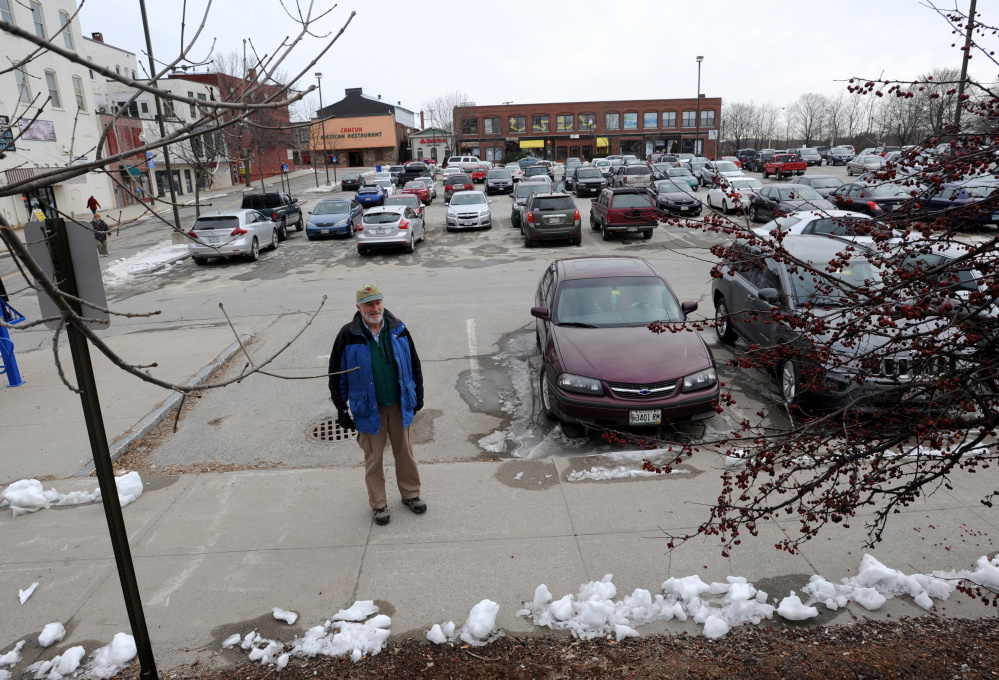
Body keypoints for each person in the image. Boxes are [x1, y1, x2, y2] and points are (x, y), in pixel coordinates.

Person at [330, 284, 425, 526]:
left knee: (405, 453)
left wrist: (419, 394)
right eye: (369, 304)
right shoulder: (347, 335)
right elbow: (337, 375)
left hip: (399, 403)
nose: (375, 308)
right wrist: (341, 409)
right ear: (359, 307)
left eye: (378, 302)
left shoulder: (398, 329)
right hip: (368, 410)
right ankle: (379, 504)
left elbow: (414, 363)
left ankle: (411, 494)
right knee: (374, 459)